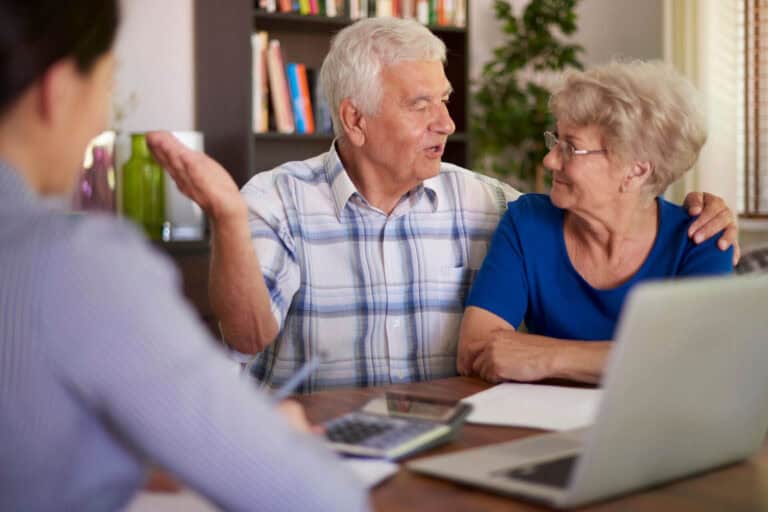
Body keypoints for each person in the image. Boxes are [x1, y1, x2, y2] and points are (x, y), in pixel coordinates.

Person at [148, 17, 739, 393]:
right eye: (421, 104)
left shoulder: (488, 201)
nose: (447, 123)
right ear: (354, 118)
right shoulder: (276, 200)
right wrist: (227, 216)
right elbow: (248, 336)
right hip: (311, 439)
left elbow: (610, 206)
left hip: (444, 441)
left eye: (446, 100)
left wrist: (704, 205)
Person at [0, 1, 368, 511]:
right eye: (106, 87)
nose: (102, 119)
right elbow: (321, 499)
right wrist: (276, 442)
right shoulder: (77, 264)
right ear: (57, 91)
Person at [457, 60, 733, 385]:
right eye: (555, 140)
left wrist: (549, 357)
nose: (549, 160)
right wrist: (644, 360)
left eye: (571, 148)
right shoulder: (528, 221)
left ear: (635, 171)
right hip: (545, 424)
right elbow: (475, 351)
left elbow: (698, 364)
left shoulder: (699, 238)